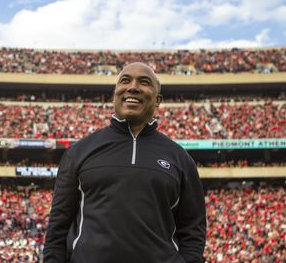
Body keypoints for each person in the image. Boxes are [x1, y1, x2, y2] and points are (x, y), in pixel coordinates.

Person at [43, 62, 206, 262]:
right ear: (115, 94)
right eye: (125, 81)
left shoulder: (180, 159)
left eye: (144, 82)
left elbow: (193, 229)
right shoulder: (79, 152)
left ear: (158, 100)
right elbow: (58, 227)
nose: (133, 87)